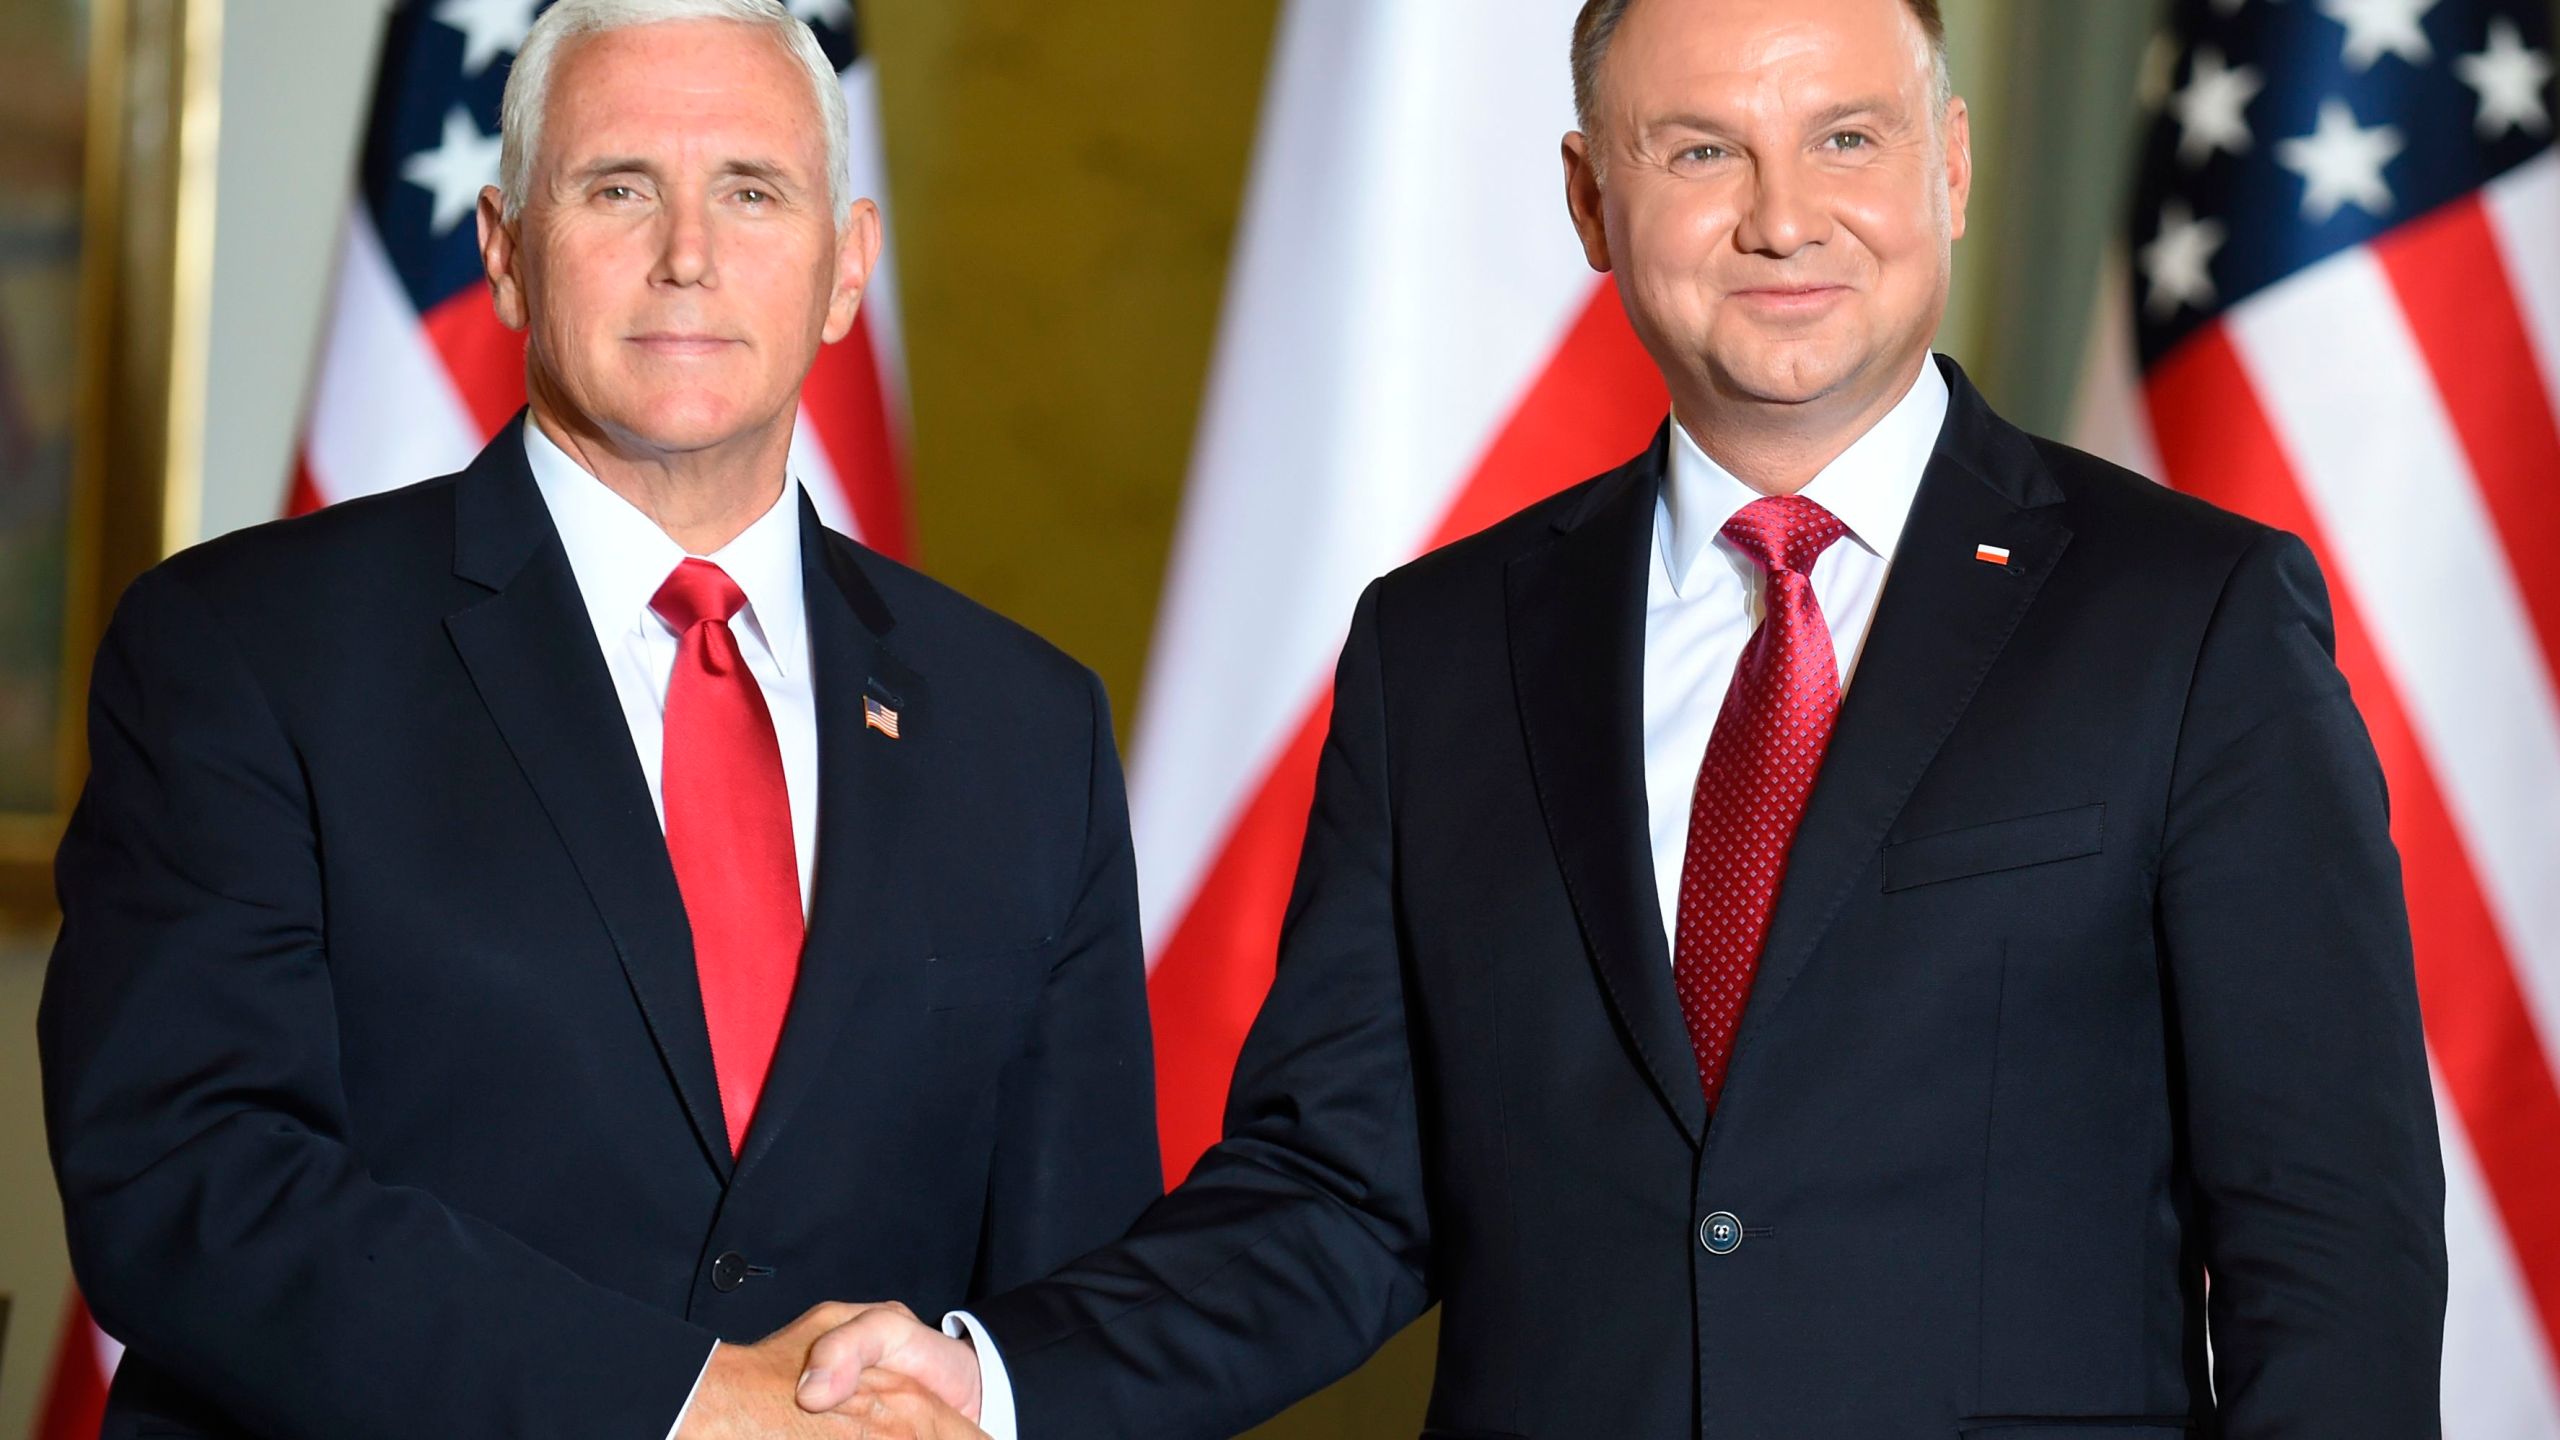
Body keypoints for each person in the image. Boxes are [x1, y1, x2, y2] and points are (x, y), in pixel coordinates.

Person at [797, 0, 2447, 1435]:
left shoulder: (2192, 615)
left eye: (1847, 138)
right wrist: (995, 1382)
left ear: (1948, 165)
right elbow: (1337, 1197)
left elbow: (2330, 1235)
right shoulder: (1439, 647)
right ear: (1592, 199)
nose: (1785, 219)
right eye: (1701, 152)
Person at [39, 2, 1158, 1436]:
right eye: (619, 186)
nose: (687, 253)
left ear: (845, 267)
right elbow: (181, 1183)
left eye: (752, 191)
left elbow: (1078, 1298)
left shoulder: (1028, 727)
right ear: (503, 252)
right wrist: (692, 1403)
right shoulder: (243, 651)